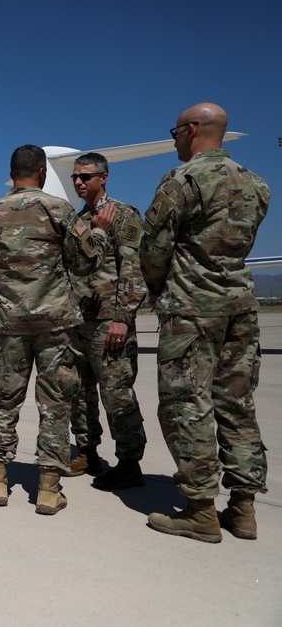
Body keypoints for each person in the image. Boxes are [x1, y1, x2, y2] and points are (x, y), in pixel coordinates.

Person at [141, 102, 270, 543]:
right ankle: (244, 509)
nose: (174, 138)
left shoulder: (182, 181)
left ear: (193, 129)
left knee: (186, 406)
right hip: (241, 306)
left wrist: (156, 287)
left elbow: (154, 247)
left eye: (175, 130)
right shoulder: (256, 183)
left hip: (192, 311)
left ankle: (200, 510)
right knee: (237, 405)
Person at [0, 144, 114, 515]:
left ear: (12, 172)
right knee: (55, 405)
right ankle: (48, 489)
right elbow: (86, 263)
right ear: (43, 173)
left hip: (10, 325)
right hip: (54, 324)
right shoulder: (60, 210)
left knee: (4, 401)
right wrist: (97, 232)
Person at [63, 152, 148, 490]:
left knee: (117, 393)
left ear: (104, 177)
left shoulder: (123, 215)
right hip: (78, 320)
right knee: (80, 392)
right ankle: (87, 451)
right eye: (75, 178)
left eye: (85, 176)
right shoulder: (79, 219)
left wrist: (122, 318)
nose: (79, 182)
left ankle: (130, 462)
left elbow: (133, 270)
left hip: (108, 321)